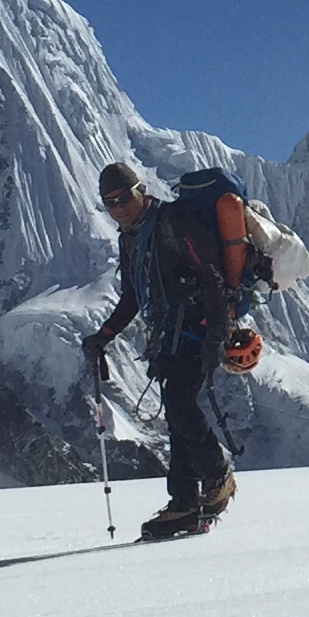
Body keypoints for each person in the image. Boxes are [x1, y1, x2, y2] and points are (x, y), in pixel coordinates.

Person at [82, 161, 250, 538]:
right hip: (168, 336)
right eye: (109, 203)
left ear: (141, 190)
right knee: (176, 417)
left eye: (124, 197)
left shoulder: (172, 223)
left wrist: (216, 337)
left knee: (179, 402)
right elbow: (133, 297)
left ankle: (216, 476)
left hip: (198, 328)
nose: (119, 207)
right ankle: (184, 504)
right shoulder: (131, 238)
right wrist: (104, 335)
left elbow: (212, 278)